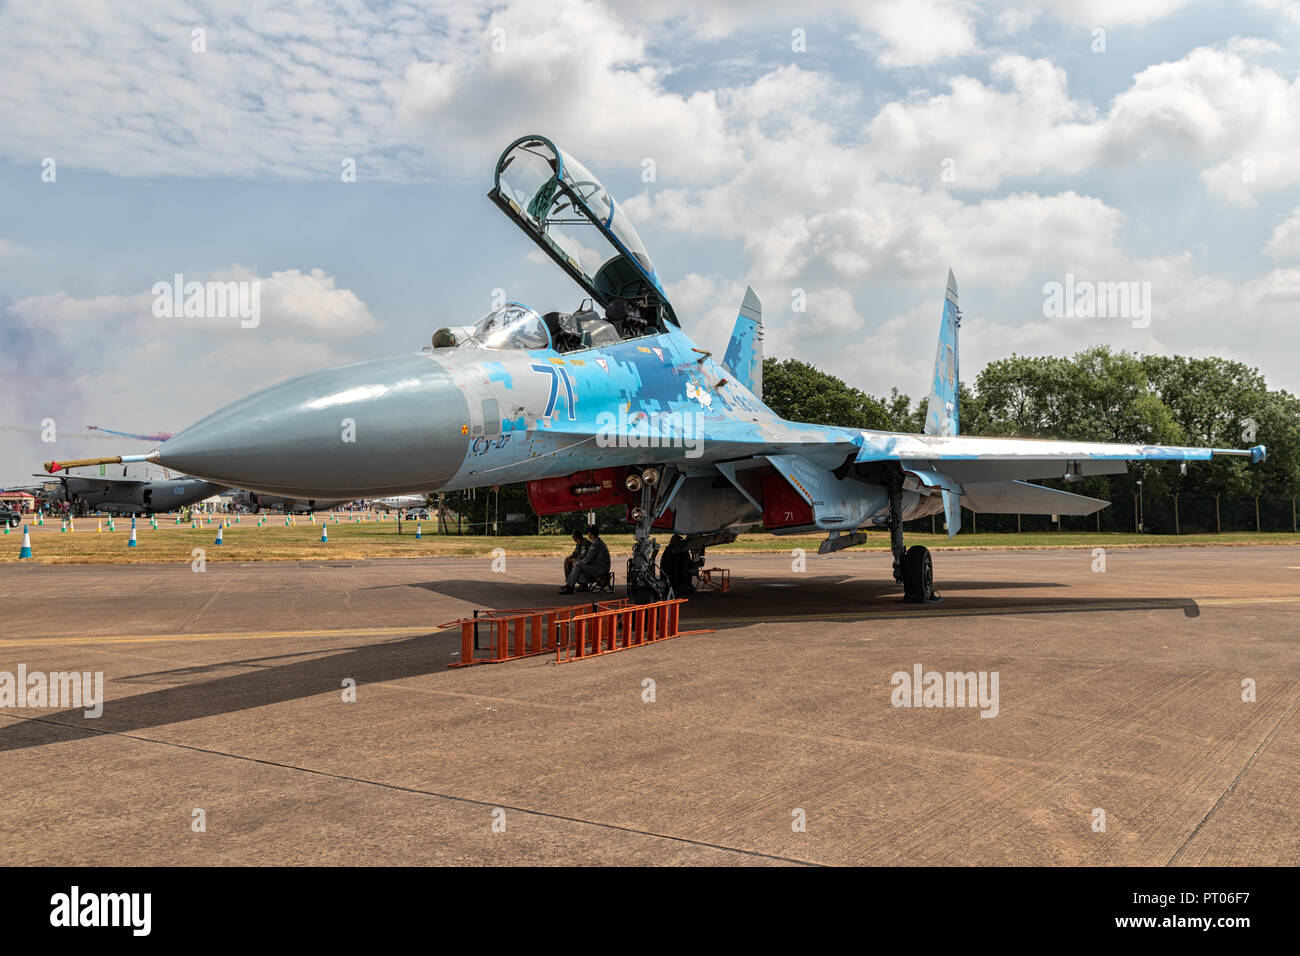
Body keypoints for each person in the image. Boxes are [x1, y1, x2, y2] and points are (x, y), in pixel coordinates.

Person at [559, 526, 610, 594]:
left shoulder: (595, 544)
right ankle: (575, 585)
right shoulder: (598, 542)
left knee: (578, 565)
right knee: (580, 565)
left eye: (588, 533)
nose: (588, 535)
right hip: (600, 566)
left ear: (591, 534)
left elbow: (587, 560)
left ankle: (570, 587)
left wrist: (577, 562)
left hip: (600, 568)